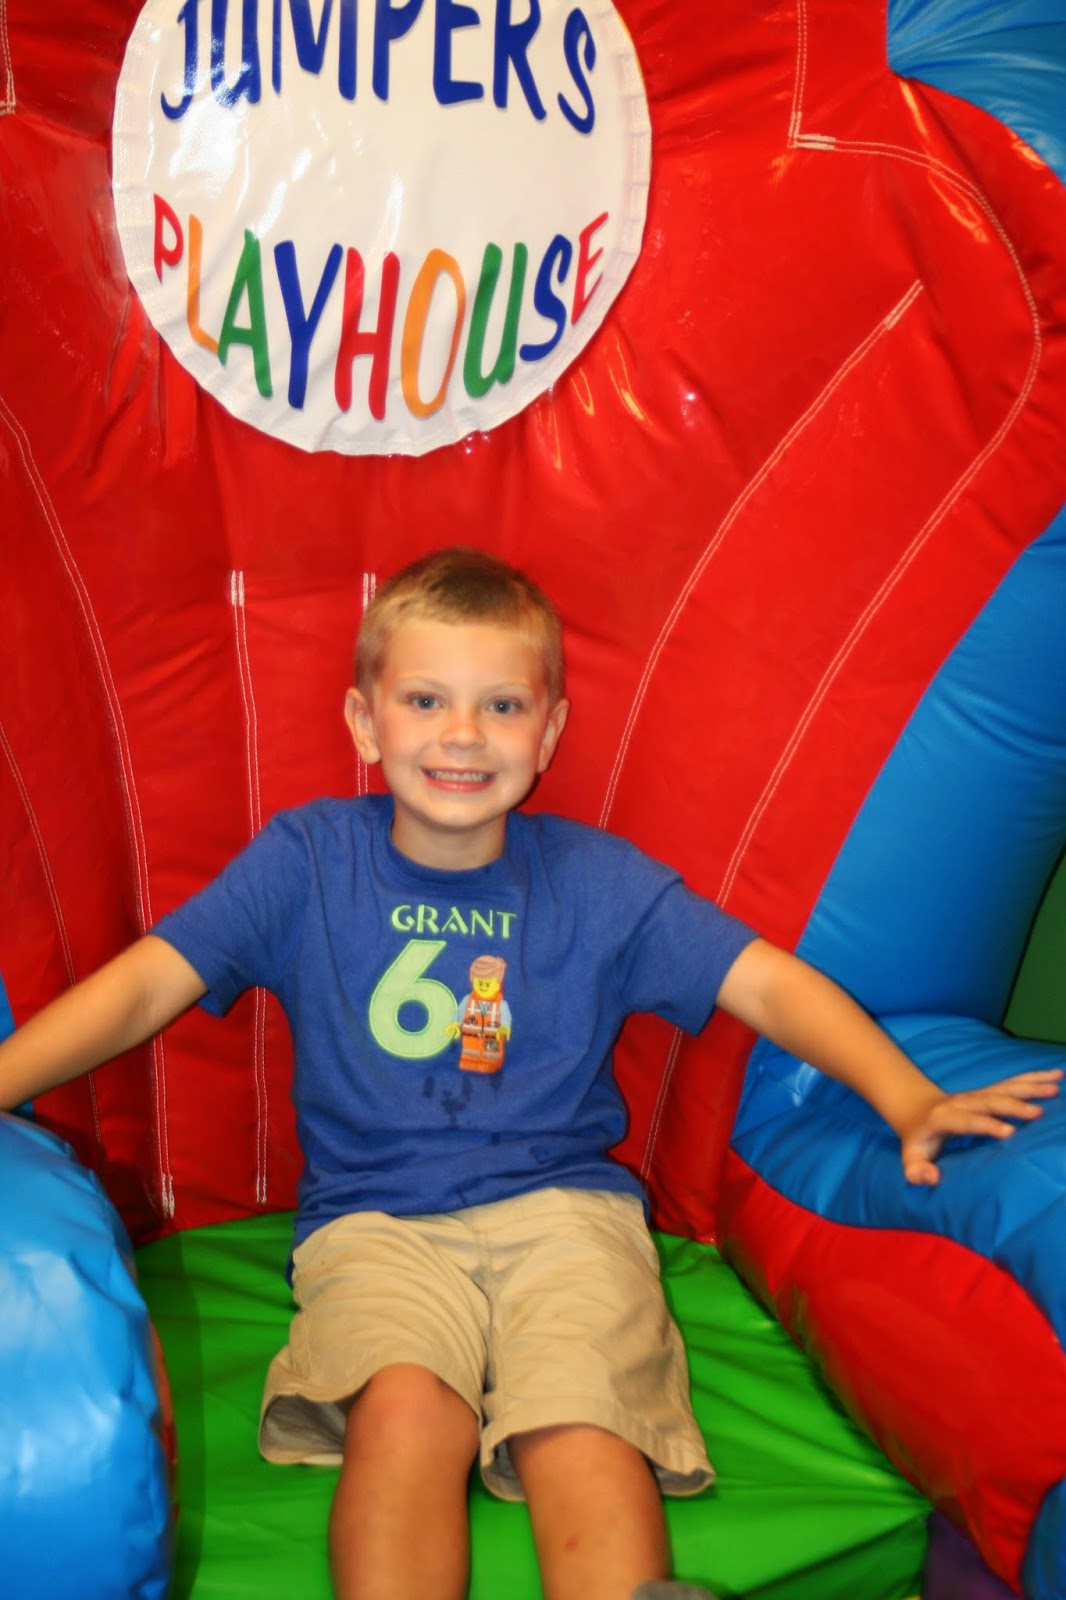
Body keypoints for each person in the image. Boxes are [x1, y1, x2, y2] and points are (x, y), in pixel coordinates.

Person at [0, 546, 1058, 1600]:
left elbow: (768, 986)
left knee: (582, 1414)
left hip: (566, 1213)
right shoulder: (309, 860)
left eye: (502, 706)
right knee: (408, 1409)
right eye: (425, 700)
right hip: (375, 1220)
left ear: (548, 734)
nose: (462, 734)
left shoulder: (596, 881)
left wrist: (905, 1095)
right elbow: (146, 986)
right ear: (366, 723)